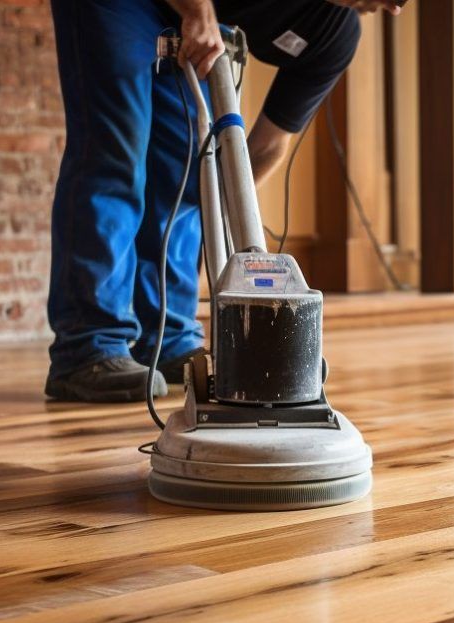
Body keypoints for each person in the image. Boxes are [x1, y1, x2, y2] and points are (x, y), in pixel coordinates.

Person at [44, 0, 404, 403]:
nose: (394, 8)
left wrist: (222, 205)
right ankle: (89, 346)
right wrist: (197, 12)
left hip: (189, 15)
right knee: (115, 152)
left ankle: (169, 338)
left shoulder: (334, 35)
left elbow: (270, 144)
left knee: (188, 168)